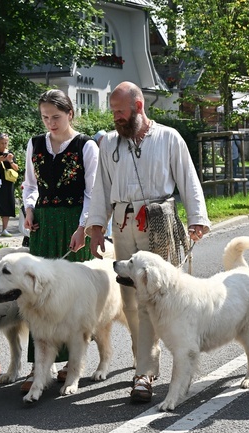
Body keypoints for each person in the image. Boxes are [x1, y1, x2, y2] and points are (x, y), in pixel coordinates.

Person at [87, 81, 210, 404]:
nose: (116, 118)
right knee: (131, 302)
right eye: (113, 112)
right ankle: (144, 371)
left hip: (159, 223)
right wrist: (96, 227)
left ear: (139, 107)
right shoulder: (110, 144)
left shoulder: (169, 137)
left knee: (163, 297)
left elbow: (188, 177)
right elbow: (101, 188)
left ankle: (173, 360)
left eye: (121, 111)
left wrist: (198, 218)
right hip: (123, 224)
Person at [21, 89, 99, 393]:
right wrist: (28, 209)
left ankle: (71, 361)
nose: (50, 123)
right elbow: (30, 184)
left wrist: (83, 227)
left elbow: (93, 192)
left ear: (70, 114)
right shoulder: (35, 143)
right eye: (45, 117)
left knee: (69, 295)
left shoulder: (86, 146)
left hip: (71, 223)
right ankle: (41, 364)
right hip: (42, 223)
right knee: (36, 294)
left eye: (56, 116)